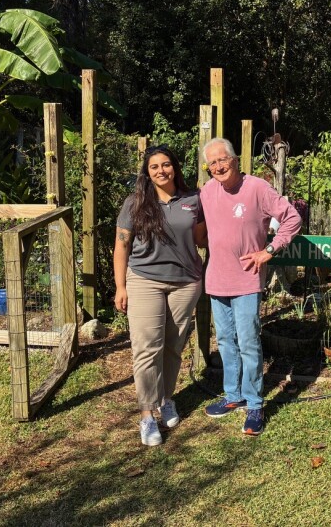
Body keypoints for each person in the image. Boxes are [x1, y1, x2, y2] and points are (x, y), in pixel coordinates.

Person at [200, 137, 302, 435]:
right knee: (226, 342)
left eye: (223, 159)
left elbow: (292, 218)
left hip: (246, 279)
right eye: (213, 162)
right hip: (216, 279)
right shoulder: (207, 191)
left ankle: (255, 404)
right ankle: (234, 396)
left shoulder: (257, 187)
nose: (219, 166)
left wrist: (268, 251)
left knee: (248, 342)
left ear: (235, 160)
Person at [114, 145, 206, 446]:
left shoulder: (193, 200)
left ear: (175, 167)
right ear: (147, 172)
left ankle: (166, 399)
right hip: (144, 281)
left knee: (173, 346)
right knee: (146, 348)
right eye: (154, 167)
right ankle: (146, 415)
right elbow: (121, 247)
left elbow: (201, 238)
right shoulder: (136, 203)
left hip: (185, 283)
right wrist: (121, 286)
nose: (161, 171)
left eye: (166, 165)